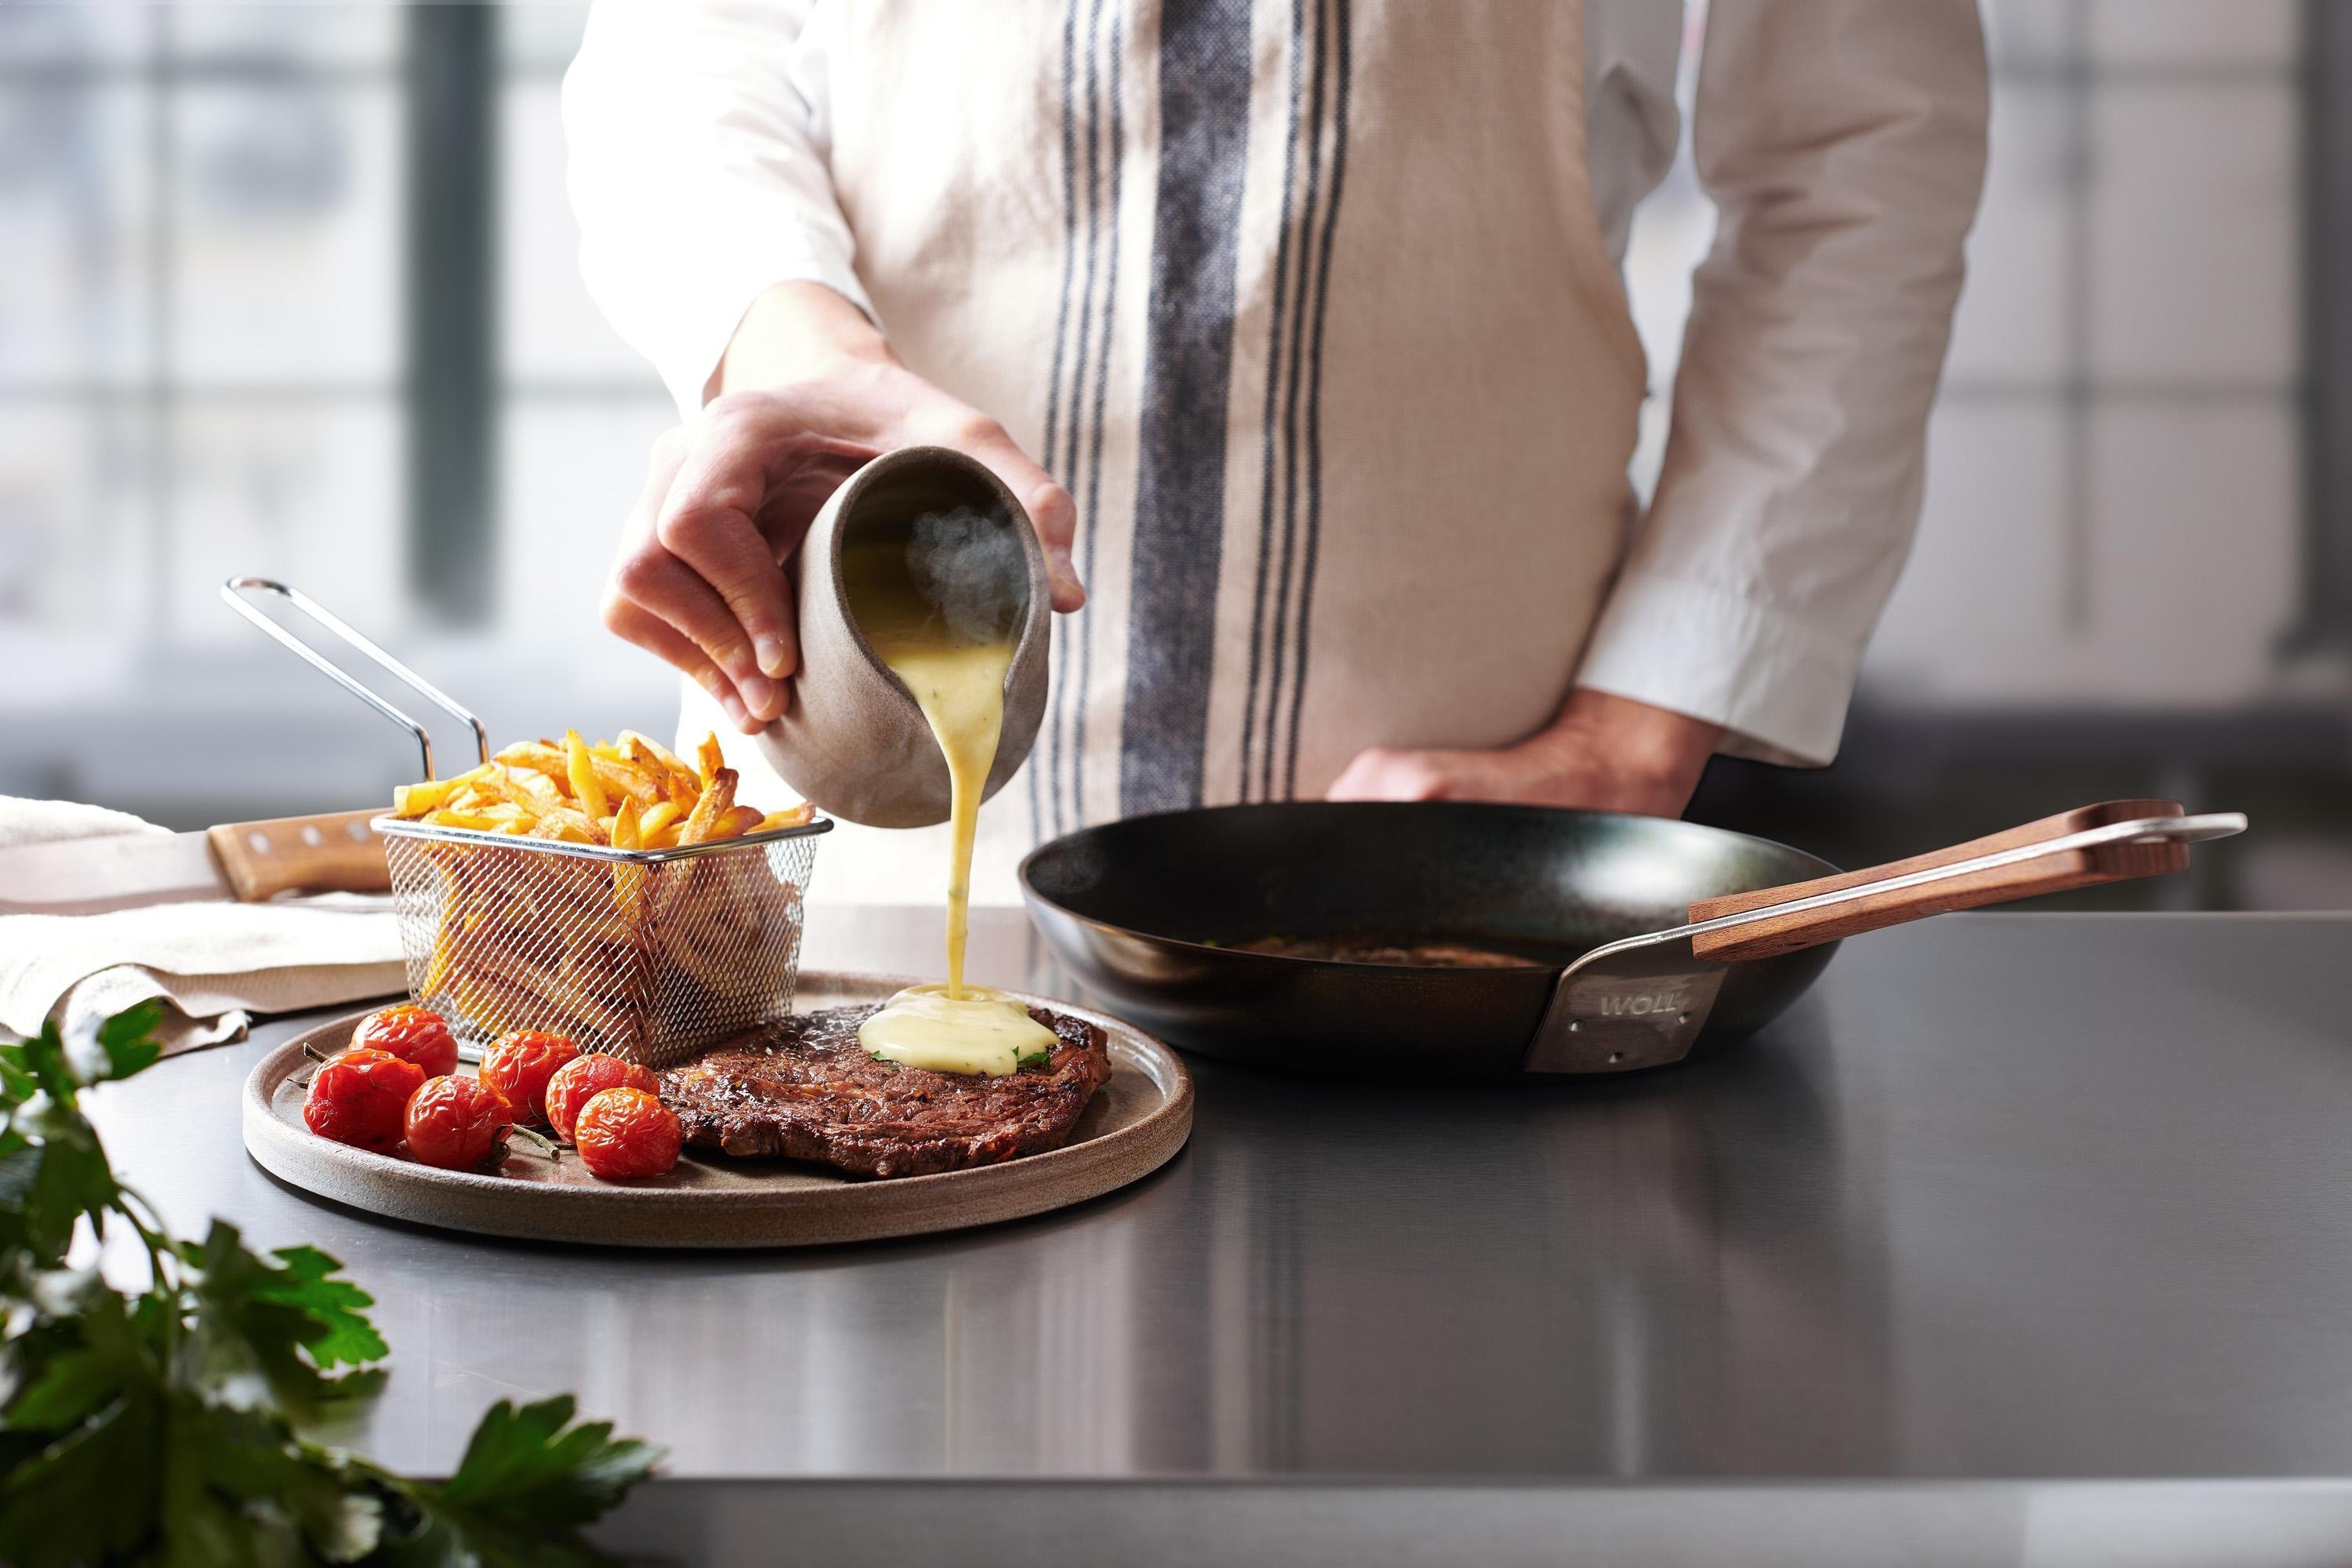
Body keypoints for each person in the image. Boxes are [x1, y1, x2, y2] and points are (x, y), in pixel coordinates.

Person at [564, 0, 1987, 904]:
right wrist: (798, 359)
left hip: (1453, 851)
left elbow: (1857, 160)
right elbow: (682, 46)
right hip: (834, 801)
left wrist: (1637, 732)